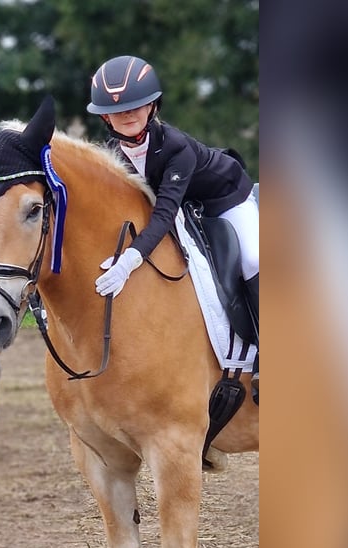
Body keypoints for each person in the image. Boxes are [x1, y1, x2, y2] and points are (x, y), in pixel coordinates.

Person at [87, 55, 259, 356]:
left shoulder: (175, 147)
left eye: (135, 106)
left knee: (253, 261)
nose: (127, 115)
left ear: (153, 105)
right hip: (184, 204)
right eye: (116, 110)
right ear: (105, 117)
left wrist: (130, 260)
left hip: (225, 198)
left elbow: (164, 213)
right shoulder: (111, 155)